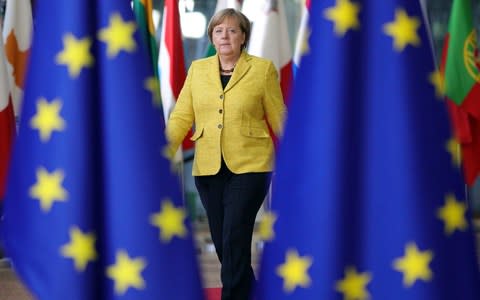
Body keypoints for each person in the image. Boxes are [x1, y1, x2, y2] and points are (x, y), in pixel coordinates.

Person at [165, 8, 286, 300]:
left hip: (251, 165)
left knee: (233, 236)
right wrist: (161, 154)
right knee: (224, 243)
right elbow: (181, 117)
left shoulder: (262, 69)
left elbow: (279, 116)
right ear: (212, 37)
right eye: (219, 31)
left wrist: (297, 157)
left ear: (243, 36)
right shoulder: (198, 70)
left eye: (232, 30)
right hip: (207, 169)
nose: (225, 36)